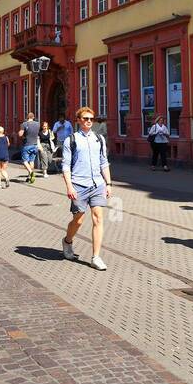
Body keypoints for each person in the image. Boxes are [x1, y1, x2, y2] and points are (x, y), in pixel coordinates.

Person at [61, 107, 110, 271]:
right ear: (78, 120)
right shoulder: (71, 140)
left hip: (97, 184)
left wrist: (108, 184)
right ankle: (67, 241)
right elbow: (66, 166)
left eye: (91, 118)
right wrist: (69, 186)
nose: (89, 121)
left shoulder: (99, 139)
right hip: (79, 185)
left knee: (98, 218)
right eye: (86, 118)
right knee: (79, 220)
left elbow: (104, 162)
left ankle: (96, 257)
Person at [18, 111, 41, 184]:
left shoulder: (24, 124)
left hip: (27, 145)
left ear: (27, 117)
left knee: (25, 161)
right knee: (31, 161)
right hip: (35, 145)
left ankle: (31, 172)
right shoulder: (38, 124)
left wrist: (20, 131)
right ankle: (29, 176)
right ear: (33, 117)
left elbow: (20, 134)